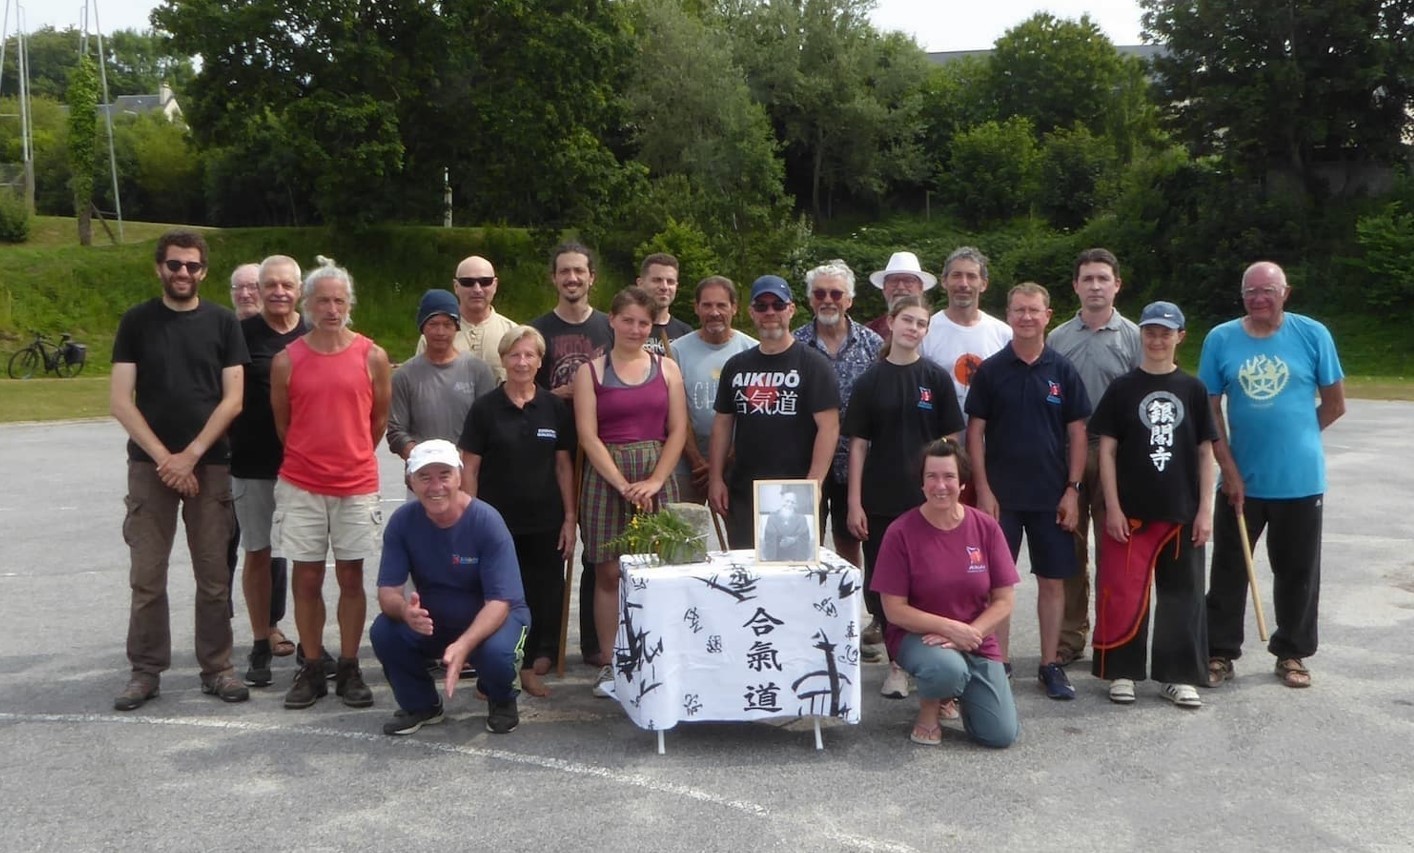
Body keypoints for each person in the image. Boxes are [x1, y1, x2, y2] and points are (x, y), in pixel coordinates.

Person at [110, 229, 250, 710]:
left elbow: (233, 399)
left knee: (213, 575)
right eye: (175, 265)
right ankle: (145, 671)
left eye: (192, 266)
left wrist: (190, 455)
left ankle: (218, 668)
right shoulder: (136, 322)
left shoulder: (224, 323)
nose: (183, 274)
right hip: (149, 469)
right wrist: (165, 460)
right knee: (147, 576)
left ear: (203, 271)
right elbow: (119, 401)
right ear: (159, 268)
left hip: (208, 466)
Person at [1199, 261, 1345, 690]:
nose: (1259, 298)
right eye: (1250, 292)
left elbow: (1335, 404)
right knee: (1228, 569)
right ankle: (1219, 652)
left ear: (1286, 292)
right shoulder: (1221, 338)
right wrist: (1229, 468)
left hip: (1300, 480)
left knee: (1298, 572)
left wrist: (1297, 435)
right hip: (1240, 481)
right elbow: (1209, 410)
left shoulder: (1312, 334)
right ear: (1242, 296)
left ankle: (1292, 652)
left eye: (1268, 290)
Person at [271, 256, 393, 710]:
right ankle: (311, 664)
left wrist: (350, 454)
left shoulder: (372, 356)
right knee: (304, 577)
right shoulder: (287, 360)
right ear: (308, 304)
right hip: (301, 484)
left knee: (350, 576)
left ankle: (348, 665)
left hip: (355, 484)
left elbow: (377, 421)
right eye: (322, 300)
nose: (331, 308)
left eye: (339, 300)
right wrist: (314, 459)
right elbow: (285, 424)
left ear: (349, 304)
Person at [965, 283, 1090, 701]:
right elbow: (975, 434)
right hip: (1001, 497)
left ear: (1047, 315)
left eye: (1033, 310)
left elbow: (1077, 433)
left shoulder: (1062, 369)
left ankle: (1049, 663)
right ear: (1009, 314)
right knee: (999, 584)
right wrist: (982, 489)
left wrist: (1072, 491)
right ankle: (997, 663)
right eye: (1018, 310)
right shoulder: (992, 370)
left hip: (1051, 496)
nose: (1026, 317)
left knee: (1052, 581)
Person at [1089, 301, 1217, 708]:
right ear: (1140, 335)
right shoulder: (1123, 388)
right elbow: (1106, 451)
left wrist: (1205, 510)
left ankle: (1177, 675)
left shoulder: (1194, 389)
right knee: (1123, 591)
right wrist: (1111, 506)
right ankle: (1121, 671)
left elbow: (1204, 453)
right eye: (1150, 331)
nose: (1157, 339)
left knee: (1184, 595)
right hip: (1131, 512)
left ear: (1180, 336)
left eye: (1166, 332)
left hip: (1180, 510)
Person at [845, 295, 964, 699]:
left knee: (930, 582)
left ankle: (932, 660)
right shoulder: (869, 380)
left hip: (928, 501)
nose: (913, 328)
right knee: (884, 584)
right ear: (891, 323)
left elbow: (950, 442)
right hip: (881, 498)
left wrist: (948, 493)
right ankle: (897, 663)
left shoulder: (935, 378)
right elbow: (857, 446)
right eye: (907, 320)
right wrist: (854, 501)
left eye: (921, 323)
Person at [573, 286, 688, 697]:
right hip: (607, 477)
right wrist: (621, 484)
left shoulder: (667, 369)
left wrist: (656, 480)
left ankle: (664, 654)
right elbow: (588, 436)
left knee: (663, 569)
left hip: (658, 474)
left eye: (643, 322)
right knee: (607, 570)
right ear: (613, 321)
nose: (636, 329)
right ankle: (610, 663)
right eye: (628, 321)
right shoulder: (590, 372)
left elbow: (678, 432)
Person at [371, 440, 530, 736]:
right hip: (437, 619)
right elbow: (388, 592)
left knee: (497, 655)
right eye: (424, 477)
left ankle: (502, 698)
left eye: (444, 475)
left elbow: (500, 602)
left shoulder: (486, 522)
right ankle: (421, 705)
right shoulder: (402, 523)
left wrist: (464, 645)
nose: (435, 487)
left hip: (497, 618)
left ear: (459, 476)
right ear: (410, 481)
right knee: (385, 631)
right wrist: (405, 611)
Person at [870, 438, 1020, 749]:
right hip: (918, 637)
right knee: (946, 667)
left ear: (962, 482)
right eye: (932, 477)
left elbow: (1004, 600)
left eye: (949, 477)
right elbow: (894, 610)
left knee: (999, 735)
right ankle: (930, 710)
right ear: (921, 484)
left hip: (974, 638)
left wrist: (970, 633)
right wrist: (949, 628)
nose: (941, 485)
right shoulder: (900, 532)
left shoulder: (986, 527)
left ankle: (956, 688)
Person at [459, 325, 578, 698]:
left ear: (540, 361)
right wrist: (469, 520)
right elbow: (470, 468)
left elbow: (563, 467)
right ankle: (492, 670)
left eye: (529, 355)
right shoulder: (485, 408)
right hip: (497, 523)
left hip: (545, 521)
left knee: (542, 593)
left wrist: (570, 518)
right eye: (514, 355)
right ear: (504, 359)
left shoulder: (554, 408)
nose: (522, 362)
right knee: (496, 596)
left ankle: (527, 667)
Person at [1046, 249, 1142, 666]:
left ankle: (1111, 633)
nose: (1096, 286)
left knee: (1114, 548)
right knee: (1069, 551)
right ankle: (1069, 637)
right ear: (1076, 286)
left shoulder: (1135, 337)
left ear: (1117, 284)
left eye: (1104, 278)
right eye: (1088, 279)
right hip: (1068, 454)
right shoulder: (1058, 338)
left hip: (1116, 455)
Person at [708, 275, 840, 549]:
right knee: (746, 576)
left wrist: (814, 483)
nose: (770, 313)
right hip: (745, 490)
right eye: (762, 306)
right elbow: (722, 425)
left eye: (778, 305)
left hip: (795, 491)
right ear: (751, 313)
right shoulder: (736, 366)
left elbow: (829, 427)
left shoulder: (814, 365)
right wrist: (716, 478)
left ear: (791, 309)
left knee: (794, 576)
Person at [530, 242, 614, 667]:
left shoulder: (608, 329)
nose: (572, 279)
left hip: (600, 450)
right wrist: (555, 394)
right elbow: (526, 387)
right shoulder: (538, 330)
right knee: (552, 550)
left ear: (591, 276)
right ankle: (545, 644)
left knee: (598, 551)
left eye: (579, 271)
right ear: (554, 277)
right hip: (552, 451)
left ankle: (597, 643)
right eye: (565, 272)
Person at [229, 255, 305, 687]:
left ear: (299, 290)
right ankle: (260, 640)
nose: (278, 292)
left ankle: (310, 643)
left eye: (286, 285)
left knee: (305, 557)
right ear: (257, 290)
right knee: (257, 552)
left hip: (304, 466)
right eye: (269, 285)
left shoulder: (312, 335)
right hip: (253, 463)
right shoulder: (240, 336)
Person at [792, 260, 882, 569]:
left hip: (857, 462)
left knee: (851, 541)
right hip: (807, 459)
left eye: (835, 293)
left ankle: (854, 613)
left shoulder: (873, 344)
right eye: (819, 294)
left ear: (850, 299)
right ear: (809, 300)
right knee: (805, 542)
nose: (827, 300)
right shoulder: (794, 344)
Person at [668, 276, 757, 503]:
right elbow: (675, 412)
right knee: (685, 535)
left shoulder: (752, 351)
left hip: (737, 461)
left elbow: (754, 414)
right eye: (707, 305)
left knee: (741, 537)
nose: (714, 312)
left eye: (721, 305)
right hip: (688, 465)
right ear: (696, 308)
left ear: (734, 308)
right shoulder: (676, 352)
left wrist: (723, 462)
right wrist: (698, 461)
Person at [387, 289, 497, 464]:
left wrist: (462, 461)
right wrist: (423, 460)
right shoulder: (403, 376)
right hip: (421, 477)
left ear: (457, 328)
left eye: (447, 324)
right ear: (422, 327)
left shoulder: (478, 371)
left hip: (468, 474)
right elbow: (396, 431)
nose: (440, 332)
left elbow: (489, 425)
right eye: (433, 324)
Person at [919, 247, 1012, 417]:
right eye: (956, 275)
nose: (963, 284)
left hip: (991, 439)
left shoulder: (1004, 334)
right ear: (944, 281)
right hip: (939, 439)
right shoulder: (925, 331)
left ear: (984, 284)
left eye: (971, 276)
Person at [415, 255, 518, 382]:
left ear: (495, 285)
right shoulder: (435, 335)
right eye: (468, 283)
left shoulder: (513, 333)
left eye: (485, 281)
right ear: (456, 286)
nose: (477, 289)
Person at [865, 251, 938, 342]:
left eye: (908, 281)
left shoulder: (937, 330)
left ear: (921, 288)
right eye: (894, 280)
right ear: (884, 288)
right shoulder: (869, 331)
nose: (900, 287)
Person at [637, 252, 693, 355]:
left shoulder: (686, 334)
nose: (664, 287)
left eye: (670, 281)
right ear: (640, 284)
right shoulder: (623, 329)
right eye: (657, 280)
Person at [761, 488, 814, 562]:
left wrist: (793, 540)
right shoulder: (772, 517)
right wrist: (782, 540)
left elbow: (804, 538)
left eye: (792, 502)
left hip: (795, 557)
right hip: (777, 556)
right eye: (787, 501)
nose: (789, 504)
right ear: (781, 501)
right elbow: (769, 537)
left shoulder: (801, 518)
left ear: (795, 504)